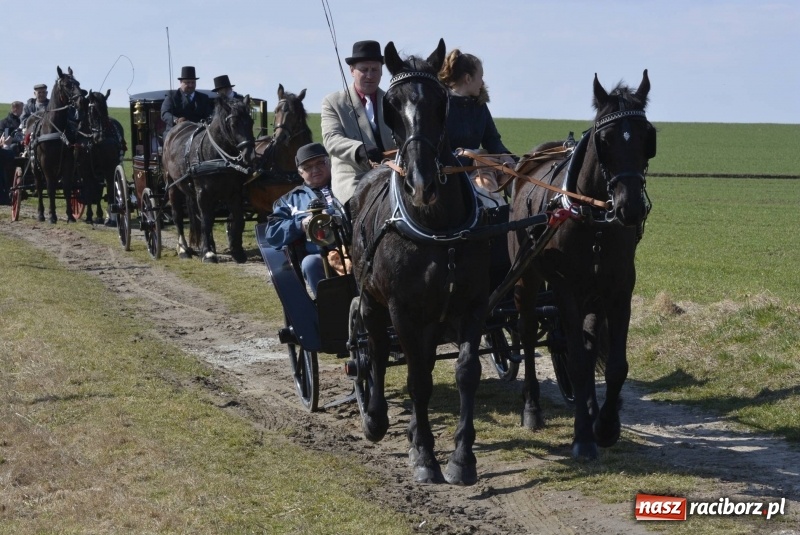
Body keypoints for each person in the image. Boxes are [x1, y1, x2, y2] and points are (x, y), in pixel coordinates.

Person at [321, 39, 396, 204]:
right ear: (352, 70)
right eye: (364, 70)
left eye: (375, 70)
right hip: (354, 178)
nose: (370, 75)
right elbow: (331, 139)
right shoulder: (333, 102)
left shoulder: (392, 101)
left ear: (382, 72)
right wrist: (360, 149)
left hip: (393, 173)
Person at [265, 143, 344, 298]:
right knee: (309, 264)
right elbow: (271, 234)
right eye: (308, 167)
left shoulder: (345, 186)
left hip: (354, 249)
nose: (315, 170)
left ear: (329, 163)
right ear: (300, 172)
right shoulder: (289, 200)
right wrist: (300, 224)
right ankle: (332, 311)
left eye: (320, 163)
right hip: (320, 256)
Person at [439, 49, 515, 204]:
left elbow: (491, 139)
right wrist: (467, 158)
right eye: (481, 77)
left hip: (479, 168)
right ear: (468, 78)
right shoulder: (439, 106)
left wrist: (504, 155)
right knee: (488, 197)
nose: (482, 83)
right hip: (449, 173)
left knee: (516, 182)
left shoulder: (479, 106)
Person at [161, 66, 213, 134]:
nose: (191, 85)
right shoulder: (172, 96)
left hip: (198, 132)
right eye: (188, 82)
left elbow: (209, 115)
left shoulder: (203, 98)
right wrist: (176, 120)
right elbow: (165, 113)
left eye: (193, 82)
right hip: (176, 132)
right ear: (181, 82)